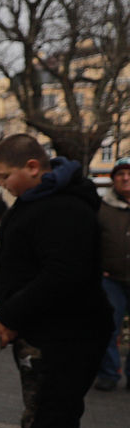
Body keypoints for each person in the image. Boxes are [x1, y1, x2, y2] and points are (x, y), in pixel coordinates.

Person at [0, 134, 110, 428]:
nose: (1, 185)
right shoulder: (32, 201)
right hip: (46, 333)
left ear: (32, 167)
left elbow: (63, 275)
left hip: (66, 338)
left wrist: (10, 314)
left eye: (4, 176)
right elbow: (19, 261)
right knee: (43, 419)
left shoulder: (64, 208)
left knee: (53, 423)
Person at [96, 156, 130, 391]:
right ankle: (109, 373)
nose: (126, 178)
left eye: (129, 174)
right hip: (111, 280)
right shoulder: (103, 209)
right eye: (120, 174)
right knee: (108, 327)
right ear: (113, 179)